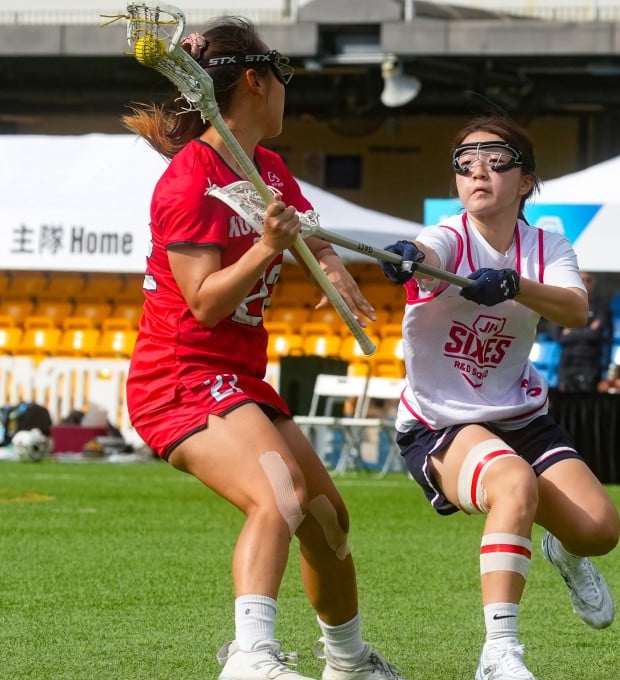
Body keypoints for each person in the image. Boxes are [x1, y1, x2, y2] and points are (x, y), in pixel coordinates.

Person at [122, 16, 405, 680]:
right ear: (256, 78)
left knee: (327, 519)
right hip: (179, 379)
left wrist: (332, 271)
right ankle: (250, 658)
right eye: (282, 75)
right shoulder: (189, 179)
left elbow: (312, 235)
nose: (286, 90)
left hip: (240, 377)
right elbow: (205, 301)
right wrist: (267, 249)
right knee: (276, 492)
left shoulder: (268, 169)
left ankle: (347, 661)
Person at [376, 114, 620, 680]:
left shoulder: (547, 245)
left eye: (495, 160)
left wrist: (514, 284)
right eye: (464, 164)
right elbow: (426, 255)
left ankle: (564, 549)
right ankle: (500, 653)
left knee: (600, 531)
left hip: (522, 415)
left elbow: (574, 309)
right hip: (442, 422)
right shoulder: (446, 237)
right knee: (510, 480)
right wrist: (407, 256)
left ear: (526, 179)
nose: (477, 172)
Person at [550, 271, 611, 392]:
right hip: (568, 362)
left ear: (595, 282)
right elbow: (557, 335)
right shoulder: (564, 304)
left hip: (591, 363)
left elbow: (596, 334)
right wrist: (587, 330)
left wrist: (570, 331)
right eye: (582, 279)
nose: (585, 283)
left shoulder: (601, 306)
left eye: (589, 280)